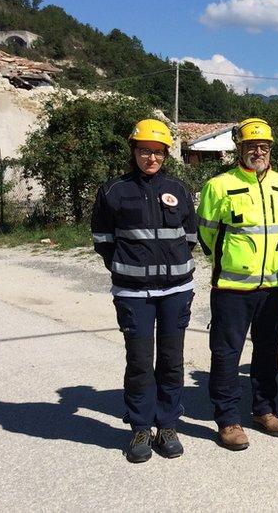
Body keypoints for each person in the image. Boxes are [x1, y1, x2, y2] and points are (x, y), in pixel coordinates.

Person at [90, 118, 197, 463]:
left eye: (158, 153)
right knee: (139, 362)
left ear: (166, 155)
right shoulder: (113, 191)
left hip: (176, 290)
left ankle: (166, 424)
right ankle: (139, 427)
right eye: (145, 151)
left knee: (171, 360)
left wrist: (170, 265)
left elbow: (190, 237)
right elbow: (103, 240)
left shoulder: (178, 190)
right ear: (133, 151)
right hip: (133, 294)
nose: (151, 158)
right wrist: (127, 268)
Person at [197, 117, 278, 451]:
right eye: (251, 145)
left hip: (274, 287)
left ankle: (264, 410)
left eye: (263, 146)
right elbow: (206, 234)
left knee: (268, 351)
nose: (258, 151)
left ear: (270, 149)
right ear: (239, 148)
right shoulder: (219, 185)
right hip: (232, 288)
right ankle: (227, 419)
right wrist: (232, 262)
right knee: (226, 354)